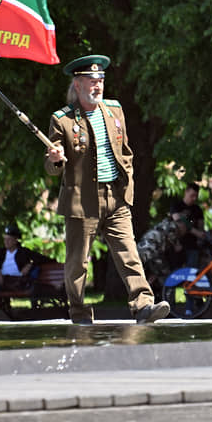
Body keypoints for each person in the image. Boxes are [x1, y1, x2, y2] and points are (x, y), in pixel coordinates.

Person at [45, 54, 170, 325]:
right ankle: (79, 313)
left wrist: (128, 186)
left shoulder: (115, 110)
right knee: (78, 263)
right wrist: (54, 158)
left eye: (100, 80)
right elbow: (51, 165)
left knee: (129, 253)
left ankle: (143, 306)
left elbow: (124, 150)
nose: (97, 86)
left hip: (115, 196)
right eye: (91, 81)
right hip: (82, 200)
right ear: (77, 85)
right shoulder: (63, 120)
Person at [0, 224, 53, 320]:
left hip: (16, 283)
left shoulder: (23, 252)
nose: (6, 242)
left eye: (9, 239)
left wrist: (30, 265)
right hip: (2, 282)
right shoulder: (2, 252)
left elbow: (44, 259)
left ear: (15, 240)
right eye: (5, 239)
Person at [168, 183, 207, 269]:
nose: (194, 198)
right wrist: (195, 232)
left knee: (191, 273)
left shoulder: (197, 210)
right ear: (186, 192)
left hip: (192, 246)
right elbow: (178, 221)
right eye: (192, 195)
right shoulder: (176, 206)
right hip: (177, 245)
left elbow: (201, 227)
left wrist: (201, 234)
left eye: (196, 196)